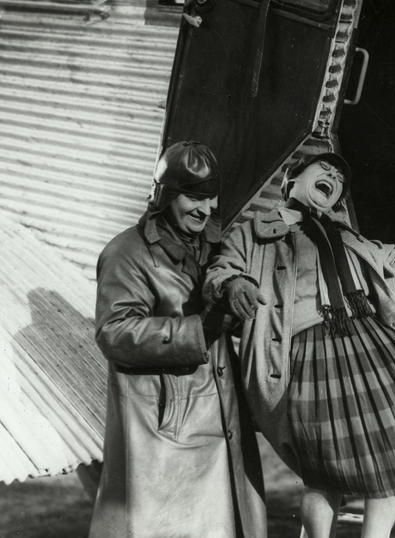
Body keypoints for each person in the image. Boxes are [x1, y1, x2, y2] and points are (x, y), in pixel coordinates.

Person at [204, 152, 395, 538]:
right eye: (323, 169)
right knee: (324, 471)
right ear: (291, 181)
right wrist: (233, 283)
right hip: (310, 352)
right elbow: (221, 268)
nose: (333, 176)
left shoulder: (351, 239)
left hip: (370, 345)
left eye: (339, 177)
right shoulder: (253, 232)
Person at [89, 141, 266, 538]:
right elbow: (114, 333)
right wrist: (198, 330)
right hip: (165, 428)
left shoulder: (214, 247)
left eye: (210, 197)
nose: (205, 209)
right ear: (165, 196)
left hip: (219, 416)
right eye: (193, 197)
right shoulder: (126, 254)